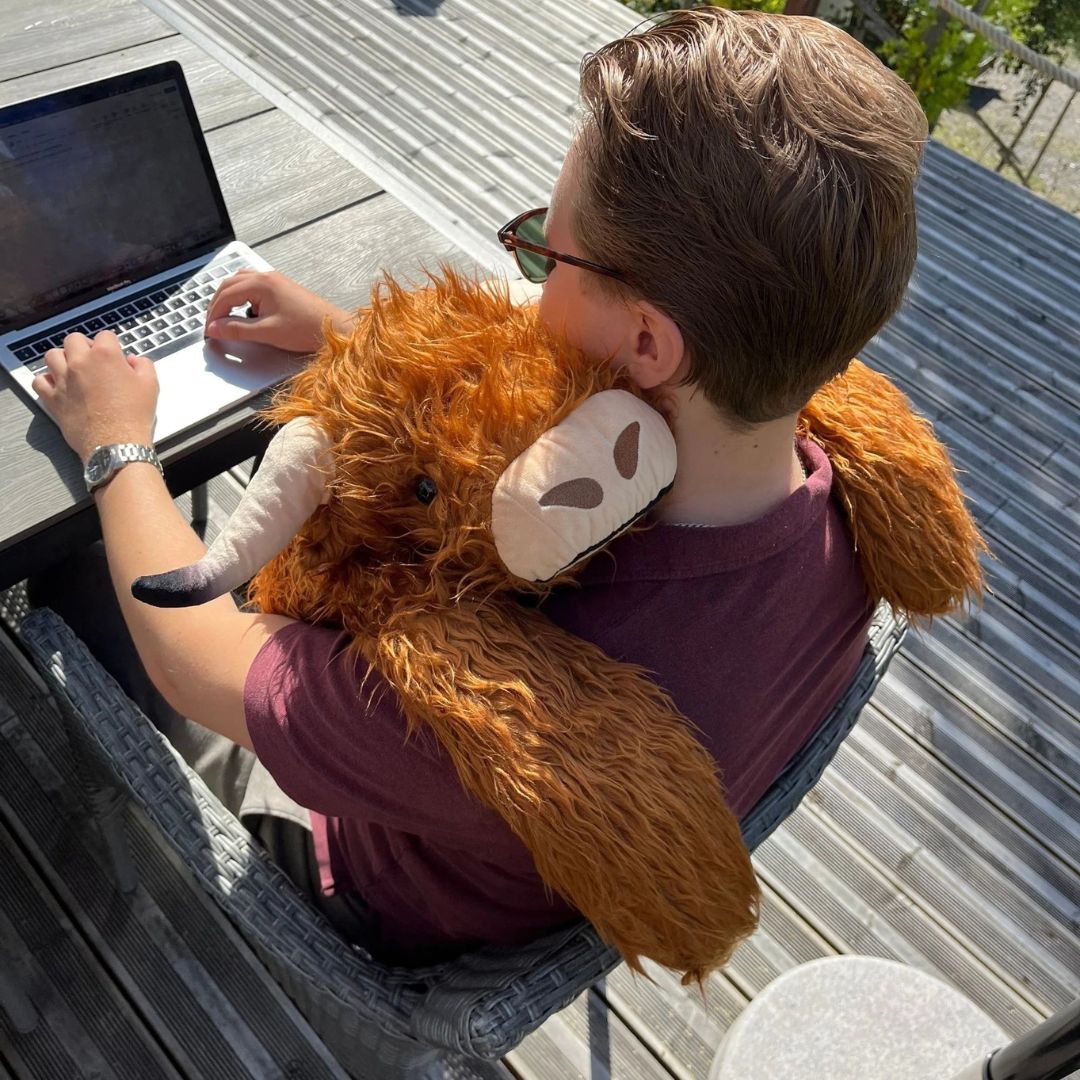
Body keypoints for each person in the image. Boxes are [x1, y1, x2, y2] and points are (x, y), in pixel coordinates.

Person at [29, 8, 928, 964]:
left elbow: (184, 650)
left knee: (81, 563)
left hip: (351, 886)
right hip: (507, 860)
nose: (530, 280)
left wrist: (115, 442)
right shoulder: (842, 500)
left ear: (649, 344)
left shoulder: (506, 697)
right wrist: (353, 345)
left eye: (549, 251)